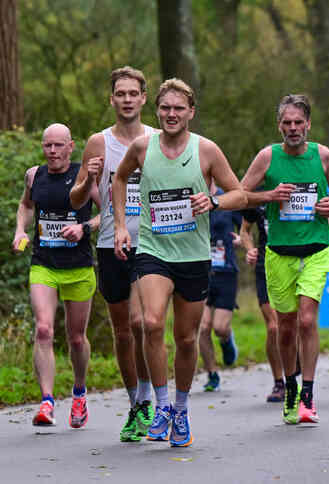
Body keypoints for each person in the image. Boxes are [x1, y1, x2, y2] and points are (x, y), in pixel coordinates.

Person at [112, 78, 247, 447]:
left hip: (194, 256)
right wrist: (122, 225)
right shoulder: (143, 146)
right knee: (151, 323)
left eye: (179, 108)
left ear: (191, 112)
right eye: (165, 108)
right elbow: (119, 178)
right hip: (153, 251)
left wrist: (214, 202)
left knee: (186, 338)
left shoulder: (206, 150)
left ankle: (182, 409)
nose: (171, 114)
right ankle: (161, 406)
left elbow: (240, 194)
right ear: (157, 110)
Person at [241, 94, 329, 425]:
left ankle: (309, 393)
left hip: (316, 247)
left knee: (305, 320)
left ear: (308, 124)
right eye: (287, 122)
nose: (293, 128)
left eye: (299, 122)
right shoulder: (267, 157)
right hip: (278, 252)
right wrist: (269, 196)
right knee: (284, 327)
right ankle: (289, 386)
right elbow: (241, 193)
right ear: (279, 125)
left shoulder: (322, 155)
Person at [69, 66, 156, 442]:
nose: (126, 100)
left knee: (141, 323)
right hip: (110, 244)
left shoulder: (158, 138)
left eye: (132, 93)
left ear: (143, 98)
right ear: (112, 99)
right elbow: (74, 200)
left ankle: (152, 398)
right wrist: (89, 179)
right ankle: (136, 402)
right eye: (120, 94)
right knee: (123, 332)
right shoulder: (98, 142)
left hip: (152, 244)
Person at [13, 123, 100, 428]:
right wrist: (20, 230)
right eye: (47, 145)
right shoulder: (34, 175)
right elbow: (25, 205)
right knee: (44, 330)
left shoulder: (84, 177)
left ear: (71, 146)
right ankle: (47, 401)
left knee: (76, 339)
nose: (52, 151)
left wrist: (84, 227)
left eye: (58, 145)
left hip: (78, 267)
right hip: (44, 264)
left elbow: (109, 212)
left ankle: (78, 392)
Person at [240, 204, 286, 402]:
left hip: (293, 260)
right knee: (274, 327)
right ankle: (279, 382)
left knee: (292, 324)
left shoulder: (296, 180)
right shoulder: (258, 191)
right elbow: (244, 231)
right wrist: (250, 250)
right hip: (265, 265)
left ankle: (295, 371)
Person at [198, 189, 242, 392]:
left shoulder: (227, 199)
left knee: (219, 327)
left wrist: (243, 239)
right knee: (203, 327)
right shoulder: (192, 198)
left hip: (226, 271)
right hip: (200, 271)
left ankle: (226, 339)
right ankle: (212, 374)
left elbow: (245, 227)